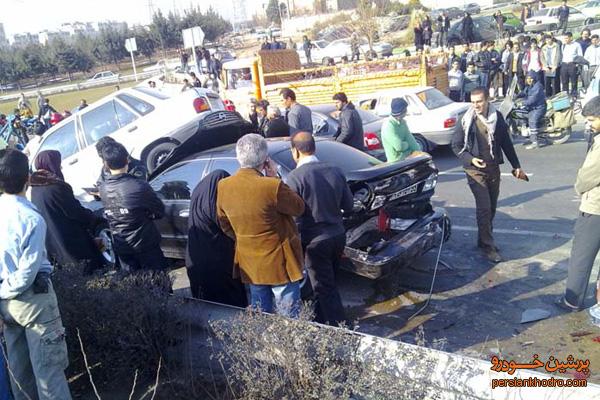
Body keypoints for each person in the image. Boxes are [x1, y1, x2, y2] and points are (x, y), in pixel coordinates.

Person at [0, 149, 72, 400]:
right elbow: (27, 273)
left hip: (7, 307)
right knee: (49, 375)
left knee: (20, 375)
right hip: (34, 301)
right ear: (27, 178)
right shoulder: (31, 218)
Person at [216, 134, 305, 317]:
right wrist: (275, 176)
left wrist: (243, 237)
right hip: (280, 261)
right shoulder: (272, 186)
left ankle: (263, 343)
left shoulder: (224, 186)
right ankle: (287, 345)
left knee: (259, 313)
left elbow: (224, 223)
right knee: (288, 315)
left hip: (250, 261)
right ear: (265, 160)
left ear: (238, 157)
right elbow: (299, 207)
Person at [451, 87, 527, 263]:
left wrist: (516, 166)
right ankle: (488, 246)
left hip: (493, 168)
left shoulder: (497, 118)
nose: (476, 105)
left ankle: (482, 239)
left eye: (479, 101)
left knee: (491, 208)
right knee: (484, 207)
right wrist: (471, 159)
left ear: (487, 101)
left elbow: (506, 143)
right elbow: (455, 146)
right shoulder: (466, 120)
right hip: (474, 170)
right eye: (473, 101)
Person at [286, 132, 353, 326]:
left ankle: (340, 330)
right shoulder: (335, 169)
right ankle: (320, 321)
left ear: (295, 151)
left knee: (324, 287)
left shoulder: (295, 177)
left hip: (315, 241)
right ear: (314, 147)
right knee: (326, 284)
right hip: (338, 236)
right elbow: (349, 205)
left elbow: (293, 215)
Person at [30, 150, 105, 274]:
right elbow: (76, 212)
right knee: (90, 272)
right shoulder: (56, 186)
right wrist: (96, 218)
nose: (61, 166)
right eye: (58, 163)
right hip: (71, 241)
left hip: (53, 244)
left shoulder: (36, 188)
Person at [558, 96, 600, 313]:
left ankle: (571, 301)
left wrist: (578, 186)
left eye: (592, 119)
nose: (589, 124)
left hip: (595, 209)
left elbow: (587, 178)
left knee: (581, 258)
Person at [99, 142, 166, 271]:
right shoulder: (138, 185)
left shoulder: (103, 188)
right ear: (127, 160)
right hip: (145, 244)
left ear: (106, 164)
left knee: (136, 287)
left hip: (122, 245)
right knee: (160, 285)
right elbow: (159, 211)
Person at [186, 170, 247, 307]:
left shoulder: (199, 195)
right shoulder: (214, 201)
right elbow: (228, 225)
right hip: (219, 264)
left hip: (196, 261)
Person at [381, 98, 422, 162]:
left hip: (407, 158)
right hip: (395, 162)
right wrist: (408, 144)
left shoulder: (403, 122)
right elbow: (398, 146)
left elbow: (411, 139)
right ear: (402, 110)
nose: (407, 111)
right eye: (406, 109)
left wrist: (419, 153)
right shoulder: (388, 125)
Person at [517, 71, 547, 149]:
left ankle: (535, 142)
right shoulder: (530, 86)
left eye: (530, 78)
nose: (528, 80)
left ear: (534, 78)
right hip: (533, 107)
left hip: (539, 108)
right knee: (520, 114)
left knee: (532, 120)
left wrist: (522, 103)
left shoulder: (537, 87)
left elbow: (532, 100)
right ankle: (528, 135)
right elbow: (524, 92)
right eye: (527, 78)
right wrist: (516, 95)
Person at [560, 32, 583, 98]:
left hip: (572, 64)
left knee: (574, 81)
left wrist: (578, 65)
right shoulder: (563, 45)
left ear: (571, 38)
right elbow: (562, 55)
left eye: (567, 38)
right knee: (564, 81)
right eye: (564, 38)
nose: (565, 40)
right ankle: (565, 95)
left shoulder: (577, 45)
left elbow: (580, 55)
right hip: (564, 64)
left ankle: (574, 95)